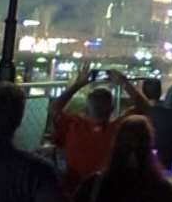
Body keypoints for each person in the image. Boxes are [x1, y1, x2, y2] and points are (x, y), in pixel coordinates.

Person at [49, 65, 151, 194]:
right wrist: (125, 83)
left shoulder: (71, 126)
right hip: (108, 197)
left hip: (74, 197)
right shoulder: (120, 130)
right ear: (112, 110)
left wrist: (78, 84)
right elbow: (146, 108)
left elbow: (53, 108)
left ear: (86, 109)